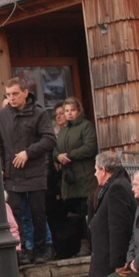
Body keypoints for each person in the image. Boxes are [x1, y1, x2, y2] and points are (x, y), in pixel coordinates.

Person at [0, 77, 57, 264]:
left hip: (35, 172)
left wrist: (28, 153)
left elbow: (49, 139)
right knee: (15, 214)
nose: (12, 98)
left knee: (37, 212)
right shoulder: (1, 116)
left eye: (15, 94)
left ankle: (41, 249)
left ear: (25, 93)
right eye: (8, 95)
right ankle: (21, 250)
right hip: (12, 174)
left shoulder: (39, 113)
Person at [53, 96, 98, 256]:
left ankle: (91, 244)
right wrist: (58, 156)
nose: (69, 114)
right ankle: (78, 246)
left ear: (78, 111)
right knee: (74, 215)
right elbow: (56, 149)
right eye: (66, 111)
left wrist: (70, 155)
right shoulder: (64, 130)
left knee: (87, 212)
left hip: (85, 177)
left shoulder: (86, 126)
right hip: (69, 180)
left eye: (72, 110)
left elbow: (90, 147)